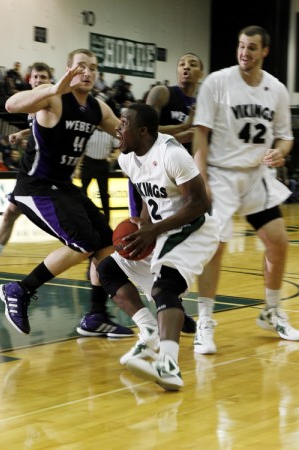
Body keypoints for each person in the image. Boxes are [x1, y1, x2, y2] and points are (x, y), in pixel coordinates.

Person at [0, 49, 133, 338]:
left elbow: (127, 135)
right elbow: (10, 105)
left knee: (105, 244)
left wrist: (164, 143)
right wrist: (54, 87)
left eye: (93, 68)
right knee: (83, 243)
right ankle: (19, 289)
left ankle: (96, 316)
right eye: (81, 67)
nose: (87, 72)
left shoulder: (98, 108)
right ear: (69, 69)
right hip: (36, 185)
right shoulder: (53, 97)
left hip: (63, 185)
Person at [192, 25, 299, 355]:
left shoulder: (276, 89)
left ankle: (271, 311)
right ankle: (205, 321)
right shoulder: (218, 82)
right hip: (221, 175)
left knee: (278, 242)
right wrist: (201, 180)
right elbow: (200, 134)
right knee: (216, 246)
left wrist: (281, 151)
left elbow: (285, 135)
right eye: (241, 46)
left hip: (256, 175)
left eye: (252, 48)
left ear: (264, 51)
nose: (244, 53)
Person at [97, 103, 220, 390]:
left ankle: (169, 366)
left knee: (165, 288)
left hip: (194, 230)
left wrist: (155, 229)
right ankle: (150, 329)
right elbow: (146, 193)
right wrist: (142, 224)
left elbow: (200, 203)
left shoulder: (173, 154)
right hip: (161, 230)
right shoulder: (128, 159)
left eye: (123, 123)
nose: (117, 127)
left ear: (142, 131)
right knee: (108, 269)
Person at [127, 52, 205, 333]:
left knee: (166, 250)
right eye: (182, 63)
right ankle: (97, 310)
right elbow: (143, 129)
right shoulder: (163, 93)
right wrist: (186, 129)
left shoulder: (202, 104)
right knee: (133, 243)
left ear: (201, 73)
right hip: (146, 177)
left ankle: (171, 306)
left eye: (192, 64)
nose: (186, 67)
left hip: (173, 181)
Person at [0, 63, 53, 256]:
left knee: (64, 228)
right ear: (29, 80)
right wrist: (22, 133)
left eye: (43, 78)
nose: (38, 81)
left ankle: (94, 252)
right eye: (36, 77)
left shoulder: (52, 103)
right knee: (9, 214)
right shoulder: (33, 105)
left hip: (45, 173)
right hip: (30, 169)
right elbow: (37, 128)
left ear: (50, 82)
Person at [76, 127, 120, 223]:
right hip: (88, 163)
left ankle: (107, 220)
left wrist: (113, 158)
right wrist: (78, 168)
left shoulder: (110, 132)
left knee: (104, 194)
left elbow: (118, 148)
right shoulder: (89, 130)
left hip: (102, 164)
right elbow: (81, 151)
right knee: (83, 191)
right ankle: (85, 215)